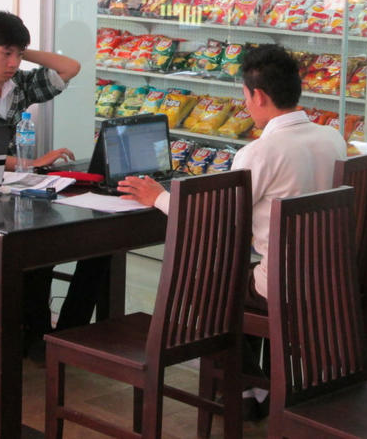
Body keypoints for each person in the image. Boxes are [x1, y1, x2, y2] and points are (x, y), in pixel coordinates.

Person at [118, 44, 348, 416]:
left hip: (279, 286)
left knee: (203, 286)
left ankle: (246, 387)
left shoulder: (261, 152)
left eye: (244, 97)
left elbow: (212, 215)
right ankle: (262, 387)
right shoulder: (332, 138)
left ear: (258, 95)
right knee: (234, 279)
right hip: (327, 280)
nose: (245, 106)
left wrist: (157, 196)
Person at [0, 11, 107, 360]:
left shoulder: (20, 84)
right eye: (6, 54)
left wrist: (22, 50)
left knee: (91, 245)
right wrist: (33, 163)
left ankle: (56, 337)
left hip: (16, 190)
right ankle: (33, 337)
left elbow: (70, 67)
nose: (13, 63)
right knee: (35, 249)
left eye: (18, 55)